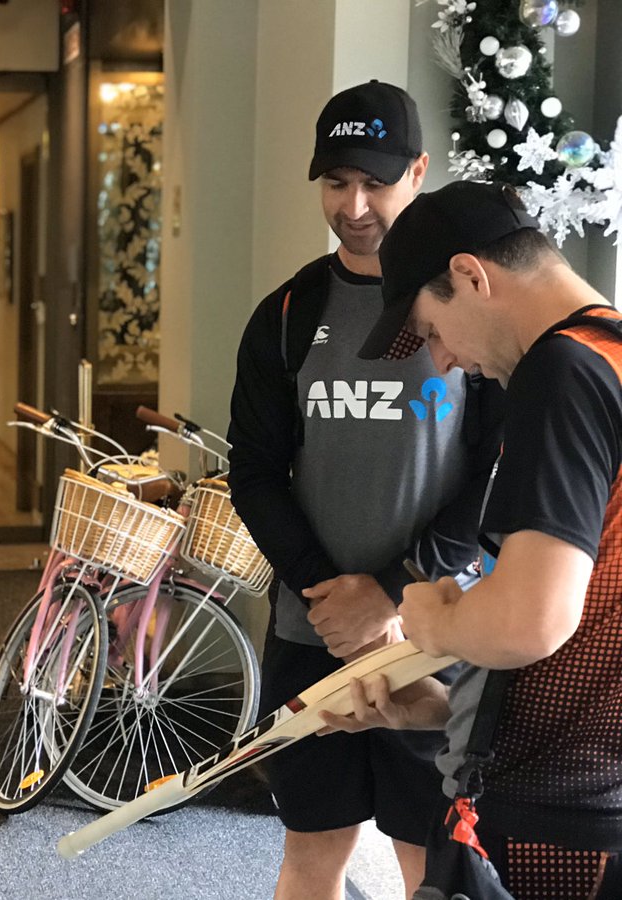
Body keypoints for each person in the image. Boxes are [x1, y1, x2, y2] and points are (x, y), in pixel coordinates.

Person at [226, 81, 504, 900]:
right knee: (312, 852)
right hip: (311, 631)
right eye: (336, 181)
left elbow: (495, 474)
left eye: (375, 182)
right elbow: (254, 471)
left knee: (432, 862)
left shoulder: (464, 305)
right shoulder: (287, 312)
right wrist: (329, 596)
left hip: (438, 635)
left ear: (418, 171)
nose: (353, 206)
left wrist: (389, 591)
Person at [322, 179, 622, 900]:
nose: (443, 361)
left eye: (431, 331)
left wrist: (434, 620)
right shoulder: (608, 354)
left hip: (549, 819)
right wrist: (444, 707)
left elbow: (531, 622)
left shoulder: (560, 371)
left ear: (469, 276)